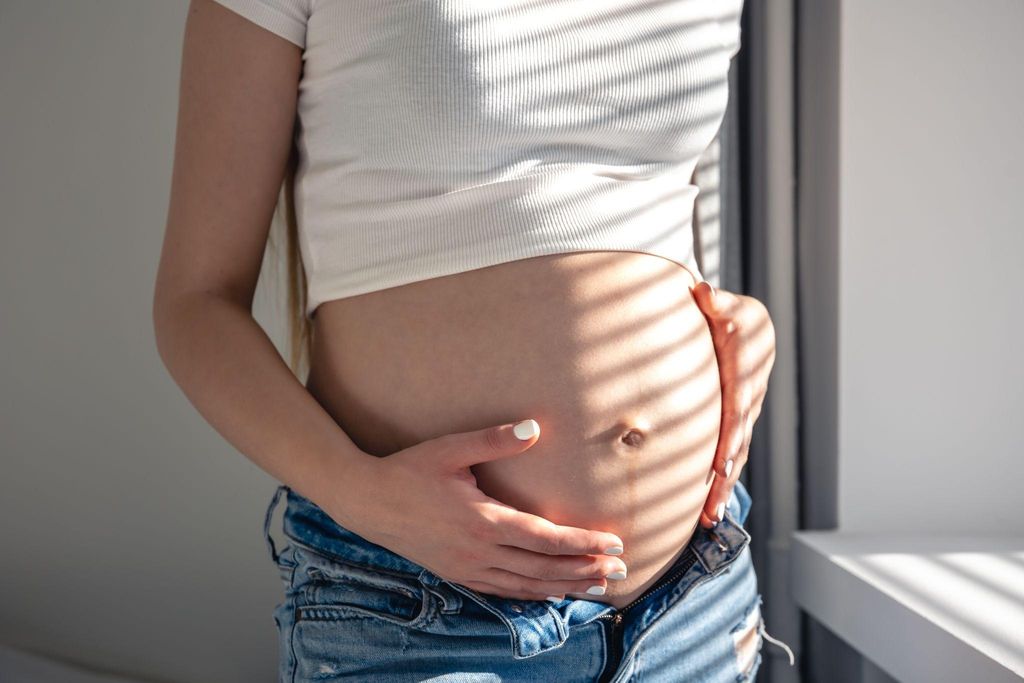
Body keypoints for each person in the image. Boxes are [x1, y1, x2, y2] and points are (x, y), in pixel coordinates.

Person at [153, 0, 794, 680]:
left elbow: (646, 205)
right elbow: (196, 303)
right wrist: (358, 491)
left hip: (691, 597)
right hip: (425, 612)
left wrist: (737, 317)